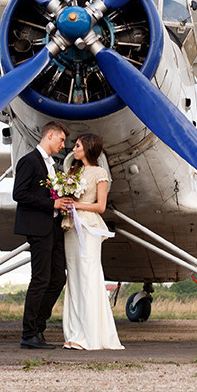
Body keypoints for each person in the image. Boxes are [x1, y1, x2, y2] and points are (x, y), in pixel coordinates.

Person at [13, 121, 73, 350]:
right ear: (50, 135)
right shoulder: (29, 161)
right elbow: (19, 193)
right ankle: (29, 333)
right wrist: (52, 203)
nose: (63, 144)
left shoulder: (52, 165)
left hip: (54, 227)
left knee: (58, 278)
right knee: (40, 279)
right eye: (61, 139)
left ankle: (38, 326)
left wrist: (60, 204)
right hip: (38, 228)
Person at [61, 133, 124, 350]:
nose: (73, 149)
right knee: (75, 278)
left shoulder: (99, 173)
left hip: (88, 226)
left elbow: (100, 206)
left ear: (87, 148)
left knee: (88, 276)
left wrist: (76, 205)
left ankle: (89, 335)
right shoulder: (73, 171)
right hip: (69, 226)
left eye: (77, 146)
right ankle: (74, 333)